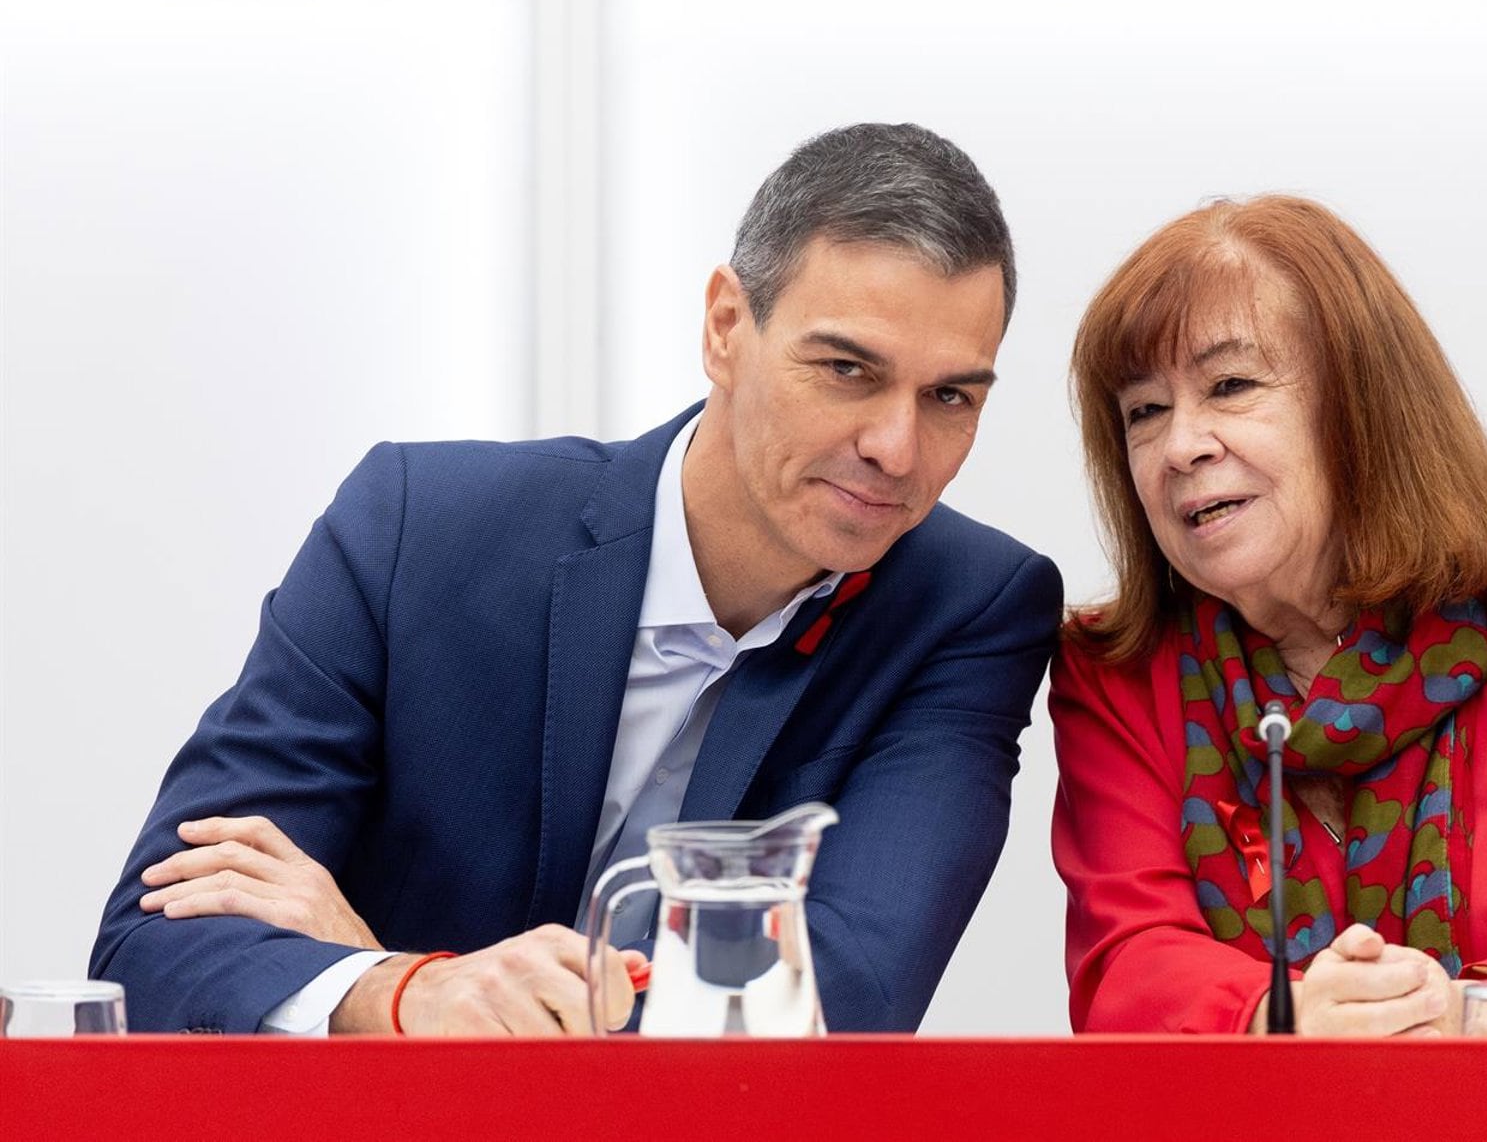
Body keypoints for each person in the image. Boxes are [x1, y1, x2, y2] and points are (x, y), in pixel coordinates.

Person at [91, 122, 1063, 1036]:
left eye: (949, 395)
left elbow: (841, 1001)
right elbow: (158, 940)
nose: (896, 448)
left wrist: (404, 980)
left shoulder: (971, 607)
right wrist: (405, 992)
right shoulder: (416, 526)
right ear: (726, 326)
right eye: (848, 369)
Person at [1051, 196, 1487, 1035]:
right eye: (1144, 411)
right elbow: (1126, 970)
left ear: (1361, 402)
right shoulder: (1117, 675)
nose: (1180, 446)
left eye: (1230, 386)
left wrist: (1467, 1017)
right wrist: (1282, 1019)